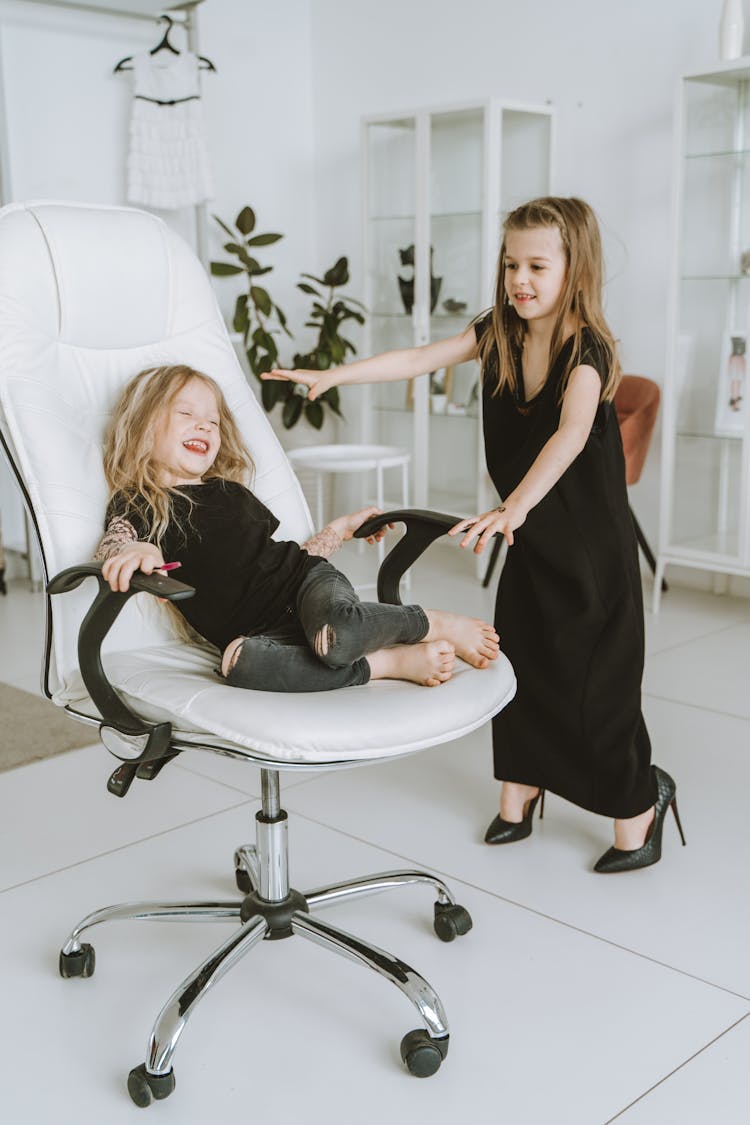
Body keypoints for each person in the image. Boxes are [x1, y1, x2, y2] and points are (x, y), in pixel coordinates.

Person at [265, 196, 686, 873]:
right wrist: (334, 375)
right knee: (522, 661)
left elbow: (571, 434)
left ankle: (640, 803)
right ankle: (520, 791)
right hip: (530, 536)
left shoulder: (590, 352)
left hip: (588, 547)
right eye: (512, 263)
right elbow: (420, 357)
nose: (521, 279)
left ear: (573, 268)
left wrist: (514, 506)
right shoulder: (499, 331)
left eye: (537, 266)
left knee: (596, 681)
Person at [94, 364, 500, 695]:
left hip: (307, 585)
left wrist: (337, 532)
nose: (203, 426)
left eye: (213, 421)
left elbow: (286, 556)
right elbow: (113, 542)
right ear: (144, 426)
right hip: (261, 634)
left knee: (338, 630)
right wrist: (135, 552)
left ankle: (432, 623)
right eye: (186, 414)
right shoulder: (139, 503)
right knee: (238, 663)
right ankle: (384, 664)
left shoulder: (229, 492)